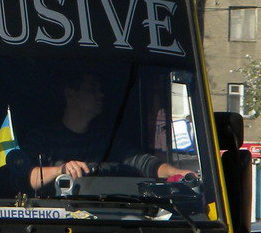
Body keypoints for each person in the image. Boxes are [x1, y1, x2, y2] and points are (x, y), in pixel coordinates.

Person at [20, 73, 190, 192]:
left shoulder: (103, 139)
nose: (101, 95)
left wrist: (176, 173)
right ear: (71, 95)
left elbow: (141, 162)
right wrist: (61, 170)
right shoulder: (41, 138)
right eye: (92, 89)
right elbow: (29, 177)